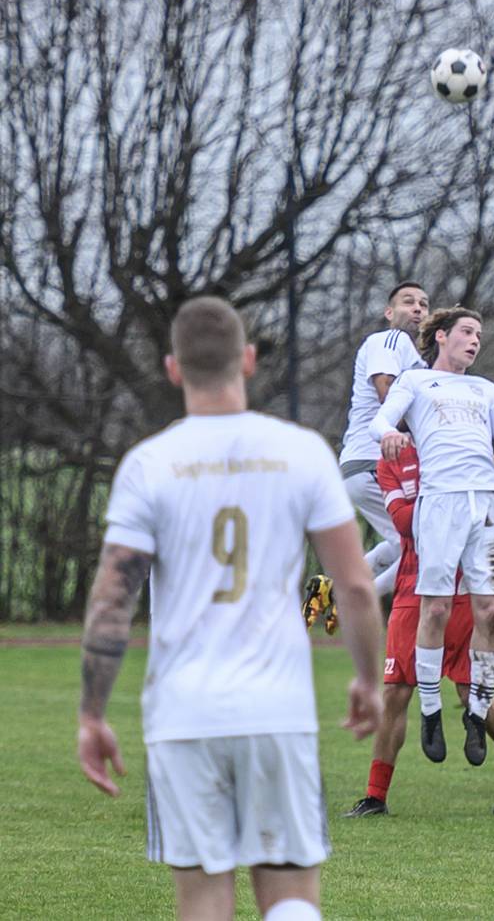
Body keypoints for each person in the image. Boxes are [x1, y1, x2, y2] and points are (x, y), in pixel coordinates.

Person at [77, 297, 384, 921]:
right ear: (247, 360)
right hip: (277, 710)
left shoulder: (148, 464)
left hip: (183, 715)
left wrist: (92, 713)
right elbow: (352, 585)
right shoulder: (300, 452)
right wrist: (368, 681)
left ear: (171, 367)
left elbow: (112, 599)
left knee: (204, 904)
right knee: (293, 898)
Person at [368, 307, 494, 767]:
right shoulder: (415, 382)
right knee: (438, 606)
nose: (474, 341)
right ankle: (430, 711)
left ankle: (477, 713)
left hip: (486, 504)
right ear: (441, 336)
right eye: (466, 332)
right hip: (441, 502)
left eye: (479, 335)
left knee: (490, 612)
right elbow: (381, 422)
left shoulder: (485, 389)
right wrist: (388, 435)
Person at [344, 441, 494, 817]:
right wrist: (447, 503)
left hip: (464, 587)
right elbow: (402, 523)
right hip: (413, 587)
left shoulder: (459, 446)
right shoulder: (391, 461)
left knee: (471, 692)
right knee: (396, 691)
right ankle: (375, 795)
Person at [338, 282, 430, 595]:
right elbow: (385, 391)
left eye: (424, 303)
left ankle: (336, 589)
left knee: (405, 542)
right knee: (418, 547)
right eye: (408, 302)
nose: (418, 308)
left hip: (375, 464)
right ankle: (351, 598)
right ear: (389, 313)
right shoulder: (389, 340)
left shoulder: (420, 362)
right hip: (371, 460)